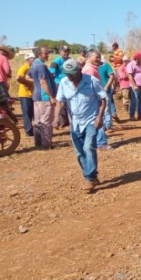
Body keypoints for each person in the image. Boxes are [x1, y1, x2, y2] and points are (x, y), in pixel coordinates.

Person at [53, 58, 107, 193]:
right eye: (67, 74)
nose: (69, 76)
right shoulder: (64, 83)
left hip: (91, 120)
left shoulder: (92, 81)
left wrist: (100, 118)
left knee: (89, 147)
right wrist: (56, 118)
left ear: (78, 71)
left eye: (72, 74)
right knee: (79, 153)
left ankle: (89, 178)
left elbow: (102, 100)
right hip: (75, 123)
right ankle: (92, 175)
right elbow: (59, 101)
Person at [28, 47, 57, 149]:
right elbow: (43, 82)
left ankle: (38, 142)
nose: (48, 55)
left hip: (36, 96)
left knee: (38, 121)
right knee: (46, 121)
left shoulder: (34, 63)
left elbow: (29, 76)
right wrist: (51, 96)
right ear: (39, 54)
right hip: (44, 97)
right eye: (45, 53)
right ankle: (46, 143)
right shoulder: (41, 65)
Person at [97, 51, 118, 133]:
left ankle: (108, 125)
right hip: (96, 91)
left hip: (106, 90)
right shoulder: (93, 67)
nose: (98, 59)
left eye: (99, 57)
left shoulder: (106, 66)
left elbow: (112, 76)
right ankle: (102, 125)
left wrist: (107, 86)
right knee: (98, 109)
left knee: (106, 107)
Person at [16, 52, 35, 137]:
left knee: (32, 112)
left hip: (32, 94)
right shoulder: (24, 67)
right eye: (32, 58)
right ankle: (28, 131)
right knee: (27, 113)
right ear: (28, 59)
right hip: (24, 94)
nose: (34, 59)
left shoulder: (32, 67)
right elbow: (18, 78)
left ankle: (34, 129)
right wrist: (27, 83)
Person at [126, 52, 141, 120]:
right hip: (135, 86)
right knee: (134, 100)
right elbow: (129, 75)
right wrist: (134, 85)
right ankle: (131, 115)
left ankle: (140, 115)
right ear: (137, 58)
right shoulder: (131, 64)